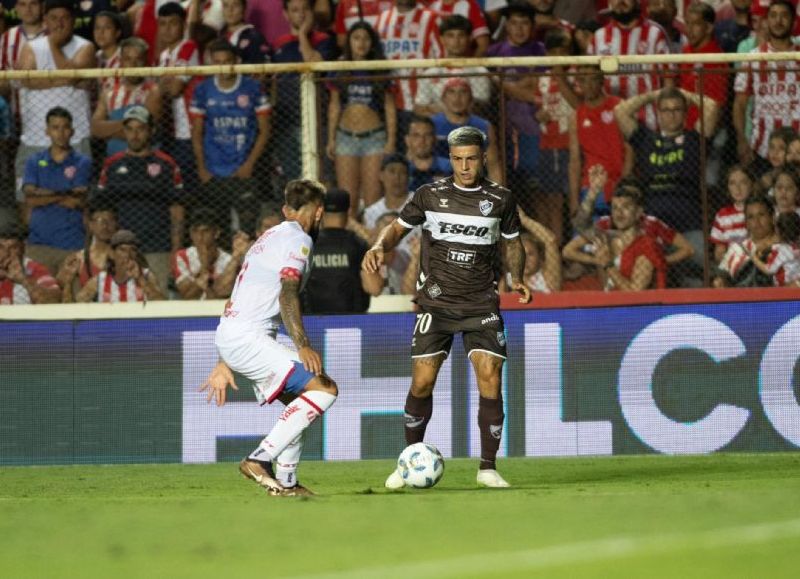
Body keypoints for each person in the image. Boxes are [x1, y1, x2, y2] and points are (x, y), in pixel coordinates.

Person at [363, 126, 531, 489]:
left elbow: (514, 243)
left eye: (471, 159)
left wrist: (517, 278)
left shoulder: (501, 198)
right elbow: (397, 227)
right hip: (435, 304)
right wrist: (379, 246)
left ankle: (487, 467)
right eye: (458, 159)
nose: (465, 166)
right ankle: (408, 462)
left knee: (490, 378)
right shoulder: (429, 195)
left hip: (480, 303)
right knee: (422, 382)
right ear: (450, 159)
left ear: (483, 157)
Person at [201, 179, 338, 497]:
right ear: (319, 213)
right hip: (247, 337)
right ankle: (258, 460)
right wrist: (303, 344)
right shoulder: (298, 240)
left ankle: (287, 484)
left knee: (299, 405)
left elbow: (239, 294)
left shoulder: (268, 237)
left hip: (235, 334)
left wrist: (224, 359)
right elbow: (288, 292)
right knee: (324, 388)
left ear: (285, 210)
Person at [614, 86, 718, 283]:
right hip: (653, 224)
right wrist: (654, 94)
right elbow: (621, 111)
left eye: (677, 109)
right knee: (648, 271)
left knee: (699, 268)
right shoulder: (646, 139)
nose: (671, 115)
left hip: (689, 221)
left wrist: (684, 93)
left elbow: (711, 106)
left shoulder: (693, 139)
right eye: (665, 110)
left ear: (685, 113)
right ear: (658, 113)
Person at [95, 105, 185, 294]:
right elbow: (102, 210)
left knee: (157, 298)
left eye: (140, 128)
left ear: (151, 131)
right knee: (121, 300)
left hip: (158, 247)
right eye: (129, 129)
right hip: (122, 249)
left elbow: (177, 211)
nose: (135, 135)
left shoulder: (167, 164)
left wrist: (175, 251)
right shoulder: (112, 165)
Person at [15, 0, 95, 207]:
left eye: (64, 18)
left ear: (73, 21)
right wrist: (67, 80)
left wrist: (52, 45)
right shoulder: (31, 47)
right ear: (45, 22)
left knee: (77, 200)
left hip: (75, 138)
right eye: (53, 19)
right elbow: (26, 80)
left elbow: (66, 74)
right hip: (34, 137)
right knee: (28, 200)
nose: (59, 24)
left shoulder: (85, 46)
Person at [190, 38, 271, 238]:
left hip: (243, 171)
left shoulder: (252, 88)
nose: (222, 67)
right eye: (217, 62)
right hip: (213, 171)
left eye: (226, 61)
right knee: (219, 231)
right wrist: (202, 168)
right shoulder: (202, 90)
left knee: (248, 228)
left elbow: (265, 130)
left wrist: (249, 165)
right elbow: (197, 133)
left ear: (235, 61)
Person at [326, 22, 396, 216]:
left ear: (372, 43)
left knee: (373, 200)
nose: (361, 43)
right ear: (349, 41)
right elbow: (334, 105)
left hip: (374, 138)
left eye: (366, 38)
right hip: (345, 138)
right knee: (349, 200)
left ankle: (373, 244)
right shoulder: (340, 67)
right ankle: (351, 244)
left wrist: (390, 140)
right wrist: (331, 138)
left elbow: (390, 107)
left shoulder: (380, 68)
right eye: (356, 37)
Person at [21, 107, 92, 277]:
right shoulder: (34, 161)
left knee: (72, 299)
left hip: (72, 244)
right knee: (41, 298)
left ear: (72, 131)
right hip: (38, 245)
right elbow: (29, 197)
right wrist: (65, 193)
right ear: (47, 131)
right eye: (55, 127)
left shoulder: (83, 162)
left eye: (65, 127)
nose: (60, 133)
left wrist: (43, 195)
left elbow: (77, 201)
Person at [271, 0, 336, 181]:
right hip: (287, 122)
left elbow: (312, 63)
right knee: (294, 180)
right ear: (286, 14)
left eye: (305, 9)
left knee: (323, 178)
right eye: (295, 10)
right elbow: (274, 83)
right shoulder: (278, 44)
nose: (300, 14)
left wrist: (302, 34)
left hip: (317, 120)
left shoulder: (324, 40)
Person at [563, 181, 668, 291]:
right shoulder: (608, 236)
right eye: (615, 208)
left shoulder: (646, 245)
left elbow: (636, 293)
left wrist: (608, 265)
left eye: (625, 207)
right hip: (607, 301)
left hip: (638, 307)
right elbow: (578, 228)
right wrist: (592, 193)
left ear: (638, 212)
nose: (619, 213)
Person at [733, 0, 800, 171]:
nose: (778, 21)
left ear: (794, 22)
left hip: (797, 149)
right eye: (773, 16)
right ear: (766, 21)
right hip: (762, 148)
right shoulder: (753, 57)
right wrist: (742, 140)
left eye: (784, 16)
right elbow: (740, 104)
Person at [588, 0, 671, 130]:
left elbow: (668, 78)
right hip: (609, 122)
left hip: (648, 122)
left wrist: (666, 118)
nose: (620, 2)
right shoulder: (599, 37)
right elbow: (590, 81)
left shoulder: (655, 34)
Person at [566, 65, 632, 222]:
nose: (587, 85)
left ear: (602, 80)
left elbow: (630, 149)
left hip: (618, 183)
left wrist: (625, 182)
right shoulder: (576, 116)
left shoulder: (620, 107)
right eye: (582, 81)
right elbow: (575, 160)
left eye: (592, 80)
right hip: (590, 187)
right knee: (587, 239)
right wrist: (574, 199)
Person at [375, 0, 443, 146]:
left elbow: (442, 59)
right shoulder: (382, 19)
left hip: (421, 105)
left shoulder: (431, 18)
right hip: (388, 105)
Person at [303, 188, 372, 314]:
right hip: (352, 323)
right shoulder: (358, 244)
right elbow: (374, 287)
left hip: (312, 324)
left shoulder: (307, 244)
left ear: (321, 212)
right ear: (348, 212)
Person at [91, 36, 162, 156]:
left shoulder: (153, 91)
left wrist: (108, 130)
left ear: (145, 62)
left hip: (147, 160)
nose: (133, 65)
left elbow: (148, 131)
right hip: (115, 160)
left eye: (138, 59)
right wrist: (134, 125)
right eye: (128, 59)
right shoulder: (109, 93)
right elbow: (95, 128)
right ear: (121, 62)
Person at [157, 1, 201, 183]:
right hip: (172, 128)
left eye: (173, 23)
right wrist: (165, 84)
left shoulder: (188, 47)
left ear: (183, 25)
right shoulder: (163, 55)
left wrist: (164, 84)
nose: (167, 29)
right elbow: (161, 88)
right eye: (163, 24)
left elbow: (174, 89)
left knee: (189, 182)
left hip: (189, 130)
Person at [413, 16, 490, 118]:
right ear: (442, 39)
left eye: (461, 35)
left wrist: (439, 110)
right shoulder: (430, 73)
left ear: (470, 38)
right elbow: (420, 108)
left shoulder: (480, 72)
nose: (456, 41)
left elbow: (479, 108)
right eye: (450, 36)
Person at [431, 78, 503, 183]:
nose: (457, 98)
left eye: (463, 92)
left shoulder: (483, 126)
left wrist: (499, 195)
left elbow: (494, 165)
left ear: (470, 98)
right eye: (452, 92)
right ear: (444, 98)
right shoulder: (432, 125)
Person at [74, 229, 165, 302]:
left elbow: (163, 306)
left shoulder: (147, 276)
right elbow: (74, 308)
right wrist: (67, 284)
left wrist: (140, 280)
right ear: (112, 254)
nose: (128, 255)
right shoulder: (99, 281)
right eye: (122, 250)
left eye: (133, 250)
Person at [715, 194, 780, 288]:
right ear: (746, 223)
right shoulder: (737, 249)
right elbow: (722, 276)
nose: (756, 221)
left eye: (761, 215)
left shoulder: (784, 246)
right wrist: (721, 281)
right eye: (751, 217)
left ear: (772, 217)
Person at [56, 201, 118, 300]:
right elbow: (60, 282)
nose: (105, 226)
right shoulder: (79, 258)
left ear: (116, 224)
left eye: (110, 220)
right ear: (91, 225)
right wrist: (67, 280)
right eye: (99, 220)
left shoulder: (124, 256)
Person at [172, 208, 234, 300]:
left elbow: (220, 296)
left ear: (216, 233)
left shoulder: (229, 260)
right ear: (191, 234)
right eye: (195, 231)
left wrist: (204, 272)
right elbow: (187, 297)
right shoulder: (182, 256)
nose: (200, 236)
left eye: (205, 231)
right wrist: (204, 267)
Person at [0, 222, 61, 304]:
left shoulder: (35, 269)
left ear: (23, 248)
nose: (6, 253)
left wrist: (23, 280)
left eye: (13, 247)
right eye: (0, 247)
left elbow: (52, 303)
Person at [709, 164, 754, 265]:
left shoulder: (761, 210)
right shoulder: (722, 215)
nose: (738, 188)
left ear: (751, 184)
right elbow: (719, 251)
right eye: (732, 183)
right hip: (733, 264)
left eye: (743, 182)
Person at [750, 210, 800, 286]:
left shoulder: (782, 250)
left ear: (778, 231)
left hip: (784, 286)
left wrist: (754, 258)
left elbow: (769, 270)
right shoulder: (795, 246)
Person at [364, 153, 413, 230]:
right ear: (381, 175)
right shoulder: (371, 212)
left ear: (408, 178)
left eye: (402, 172)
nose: (397, 177)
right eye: (392, 171)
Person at [405, 115, 451, 191]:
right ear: (407, 140)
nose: (422, 141)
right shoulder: (401, 170)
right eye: (416, 135)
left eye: (427, 135)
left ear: (435, 140)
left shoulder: (450, 168)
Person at [219, 0, 271, 65]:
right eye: (226, 6)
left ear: (244, 9)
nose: (230, 10)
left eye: (236, 5)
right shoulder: (217, 37)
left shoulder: (254, 38)